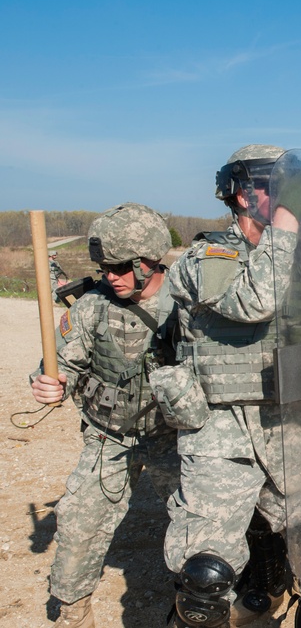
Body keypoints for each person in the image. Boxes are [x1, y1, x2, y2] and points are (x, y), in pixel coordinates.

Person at [163, 144, 301, 627]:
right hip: (221, 430)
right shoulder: (207, 257)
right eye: (279, 186)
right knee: (205, 581)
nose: (294, 196)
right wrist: (288, 220)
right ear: (245, 195)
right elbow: (254, 301)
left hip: (288, 422)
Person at [30, 203, 179, 628]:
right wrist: (47, 381)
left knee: (199, 529)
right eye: (104, 266)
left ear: (149, 261)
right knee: (79, 524)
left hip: (174, 436)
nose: (110, 275)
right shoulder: (92, 306)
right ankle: (74, 613)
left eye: (119, 266)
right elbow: (59, 364)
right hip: (107, 437)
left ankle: (194, 608)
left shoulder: (186, 304)